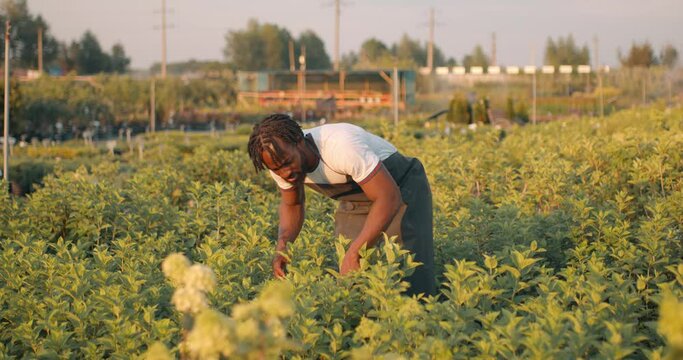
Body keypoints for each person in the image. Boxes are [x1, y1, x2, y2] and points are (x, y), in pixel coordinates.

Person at [247, 113, 435, 296]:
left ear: (299, 140)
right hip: (355, 199)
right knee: (352, 281)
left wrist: (356, 252)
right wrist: (283, 247)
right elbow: (293, 204)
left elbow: (388, 198)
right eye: (277, 169)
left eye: (288, 163)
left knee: (405, 268)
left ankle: (418, 321)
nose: (285, 173)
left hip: (400, 190)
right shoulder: (278, 160)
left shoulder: (341, 146)